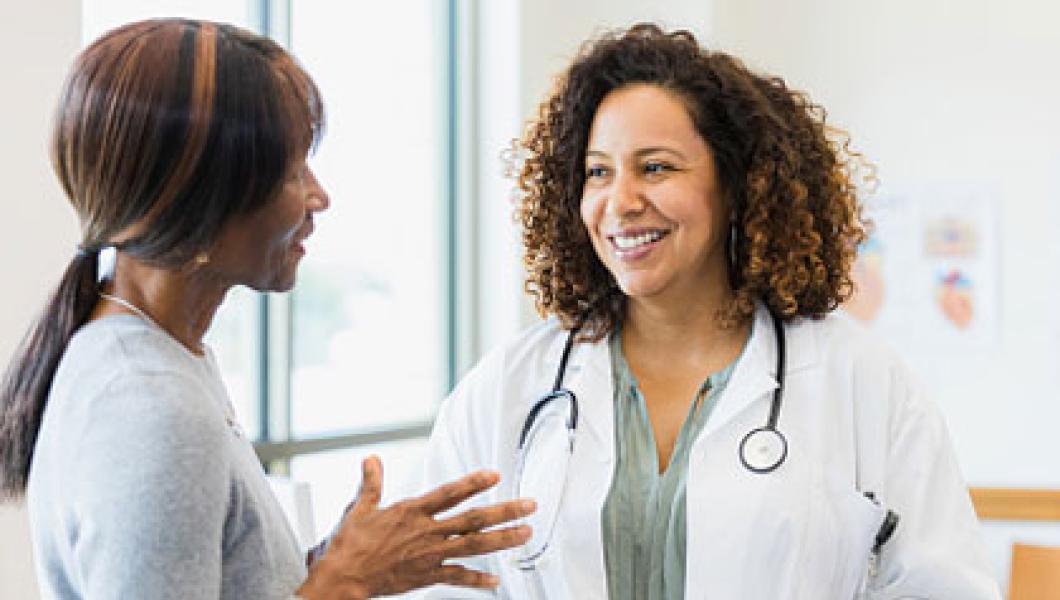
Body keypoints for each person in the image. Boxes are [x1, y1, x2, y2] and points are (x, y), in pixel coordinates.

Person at [406, 23, 1001, 599]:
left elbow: (943, 587)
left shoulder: (859, 381)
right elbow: (437, 584)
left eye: (656, 167)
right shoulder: (511, 387)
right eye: (598, 172)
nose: (622, 200)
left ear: (737, 184)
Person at [0, 19, 534, 600]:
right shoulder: (154, 408)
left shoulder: (153, 350)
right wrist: (343, 582)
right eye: (292, 171)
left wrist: (338, 559)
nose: (318, 195)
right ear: (206, 198)